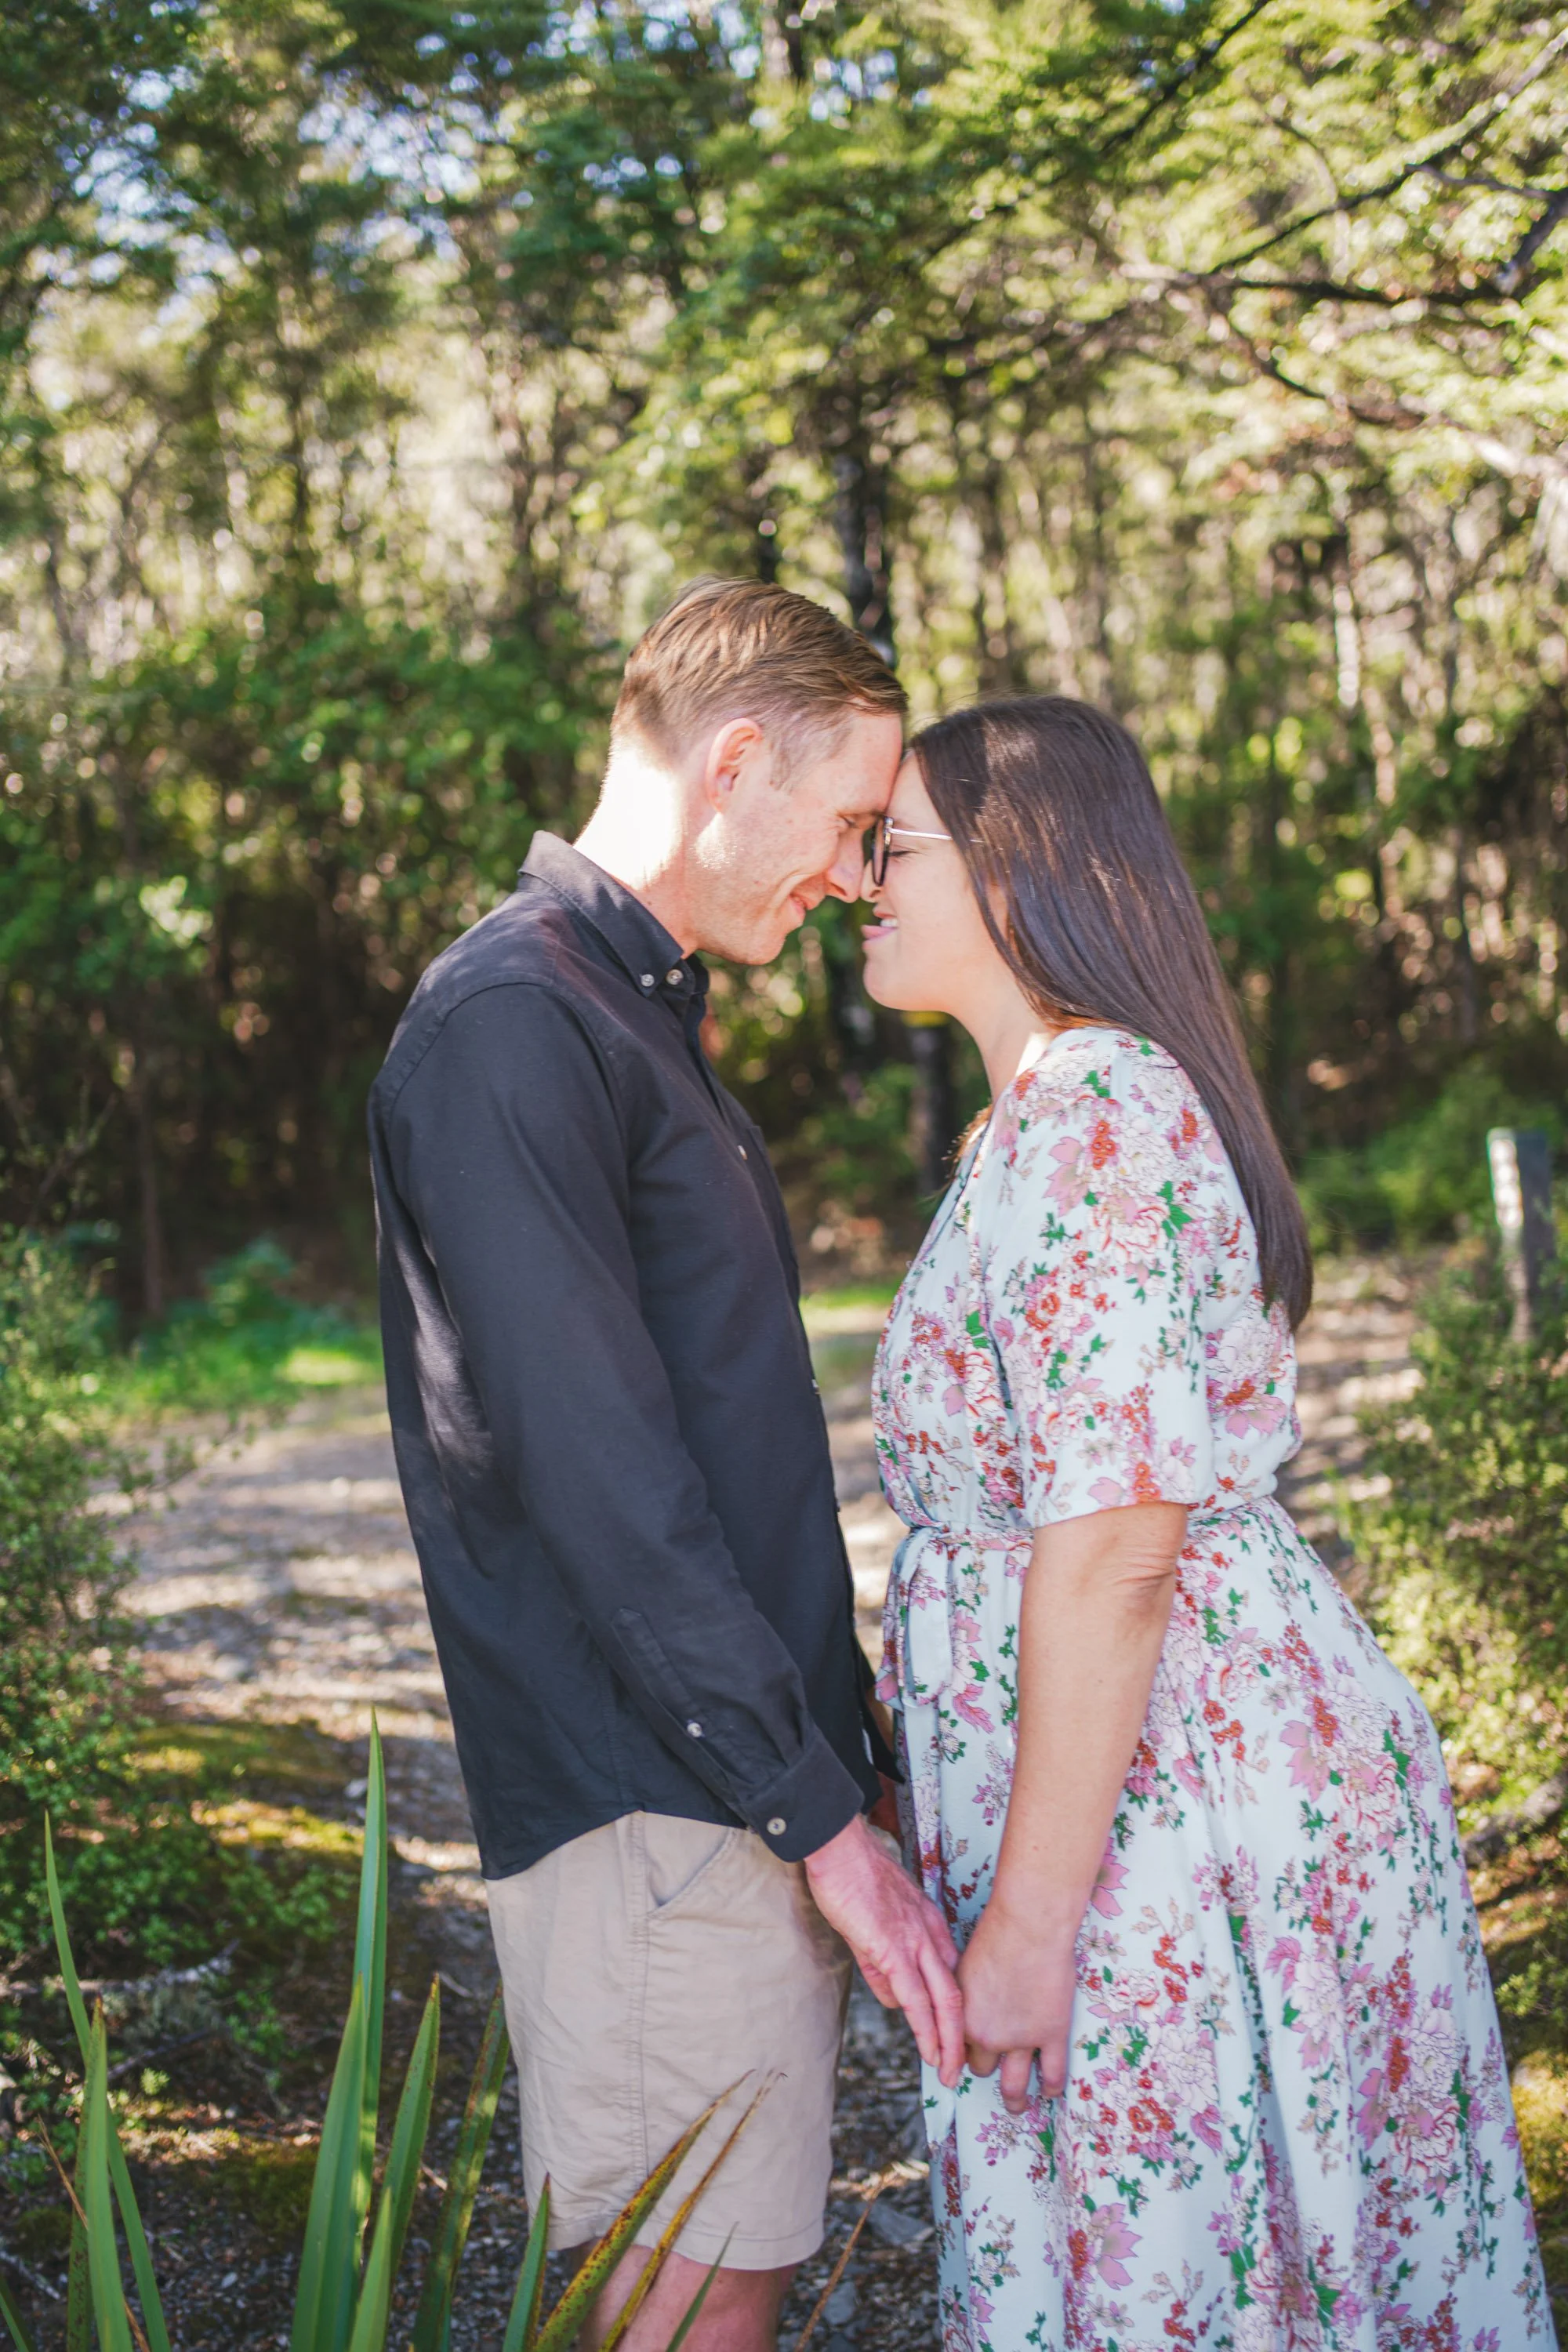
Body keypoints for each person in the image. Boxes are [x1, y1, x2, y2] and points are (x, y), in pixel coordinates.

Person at [860, 695, 1552, 2350]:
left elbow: (1114, 1545)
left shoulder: (1097, 1107)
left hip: (1163, 1811)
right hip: (1126, 1785)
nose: (857, 886)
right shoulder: (1034, 1115)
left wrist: (1024, 1926)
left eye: (892, 850)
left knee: (1183, 2252)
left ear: (1019, 870)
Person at [369, 579, 964, 2352]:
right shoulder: (514, 1023)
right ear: (729, 763)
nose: (855, 874)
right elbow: (598, 1478)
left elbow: (718, 1447)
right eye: (852, 824)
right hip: (655, 1813)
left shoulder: (632, 1015)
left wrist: (834, 1770)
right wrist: (812, 1816)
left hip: (723, 1801)